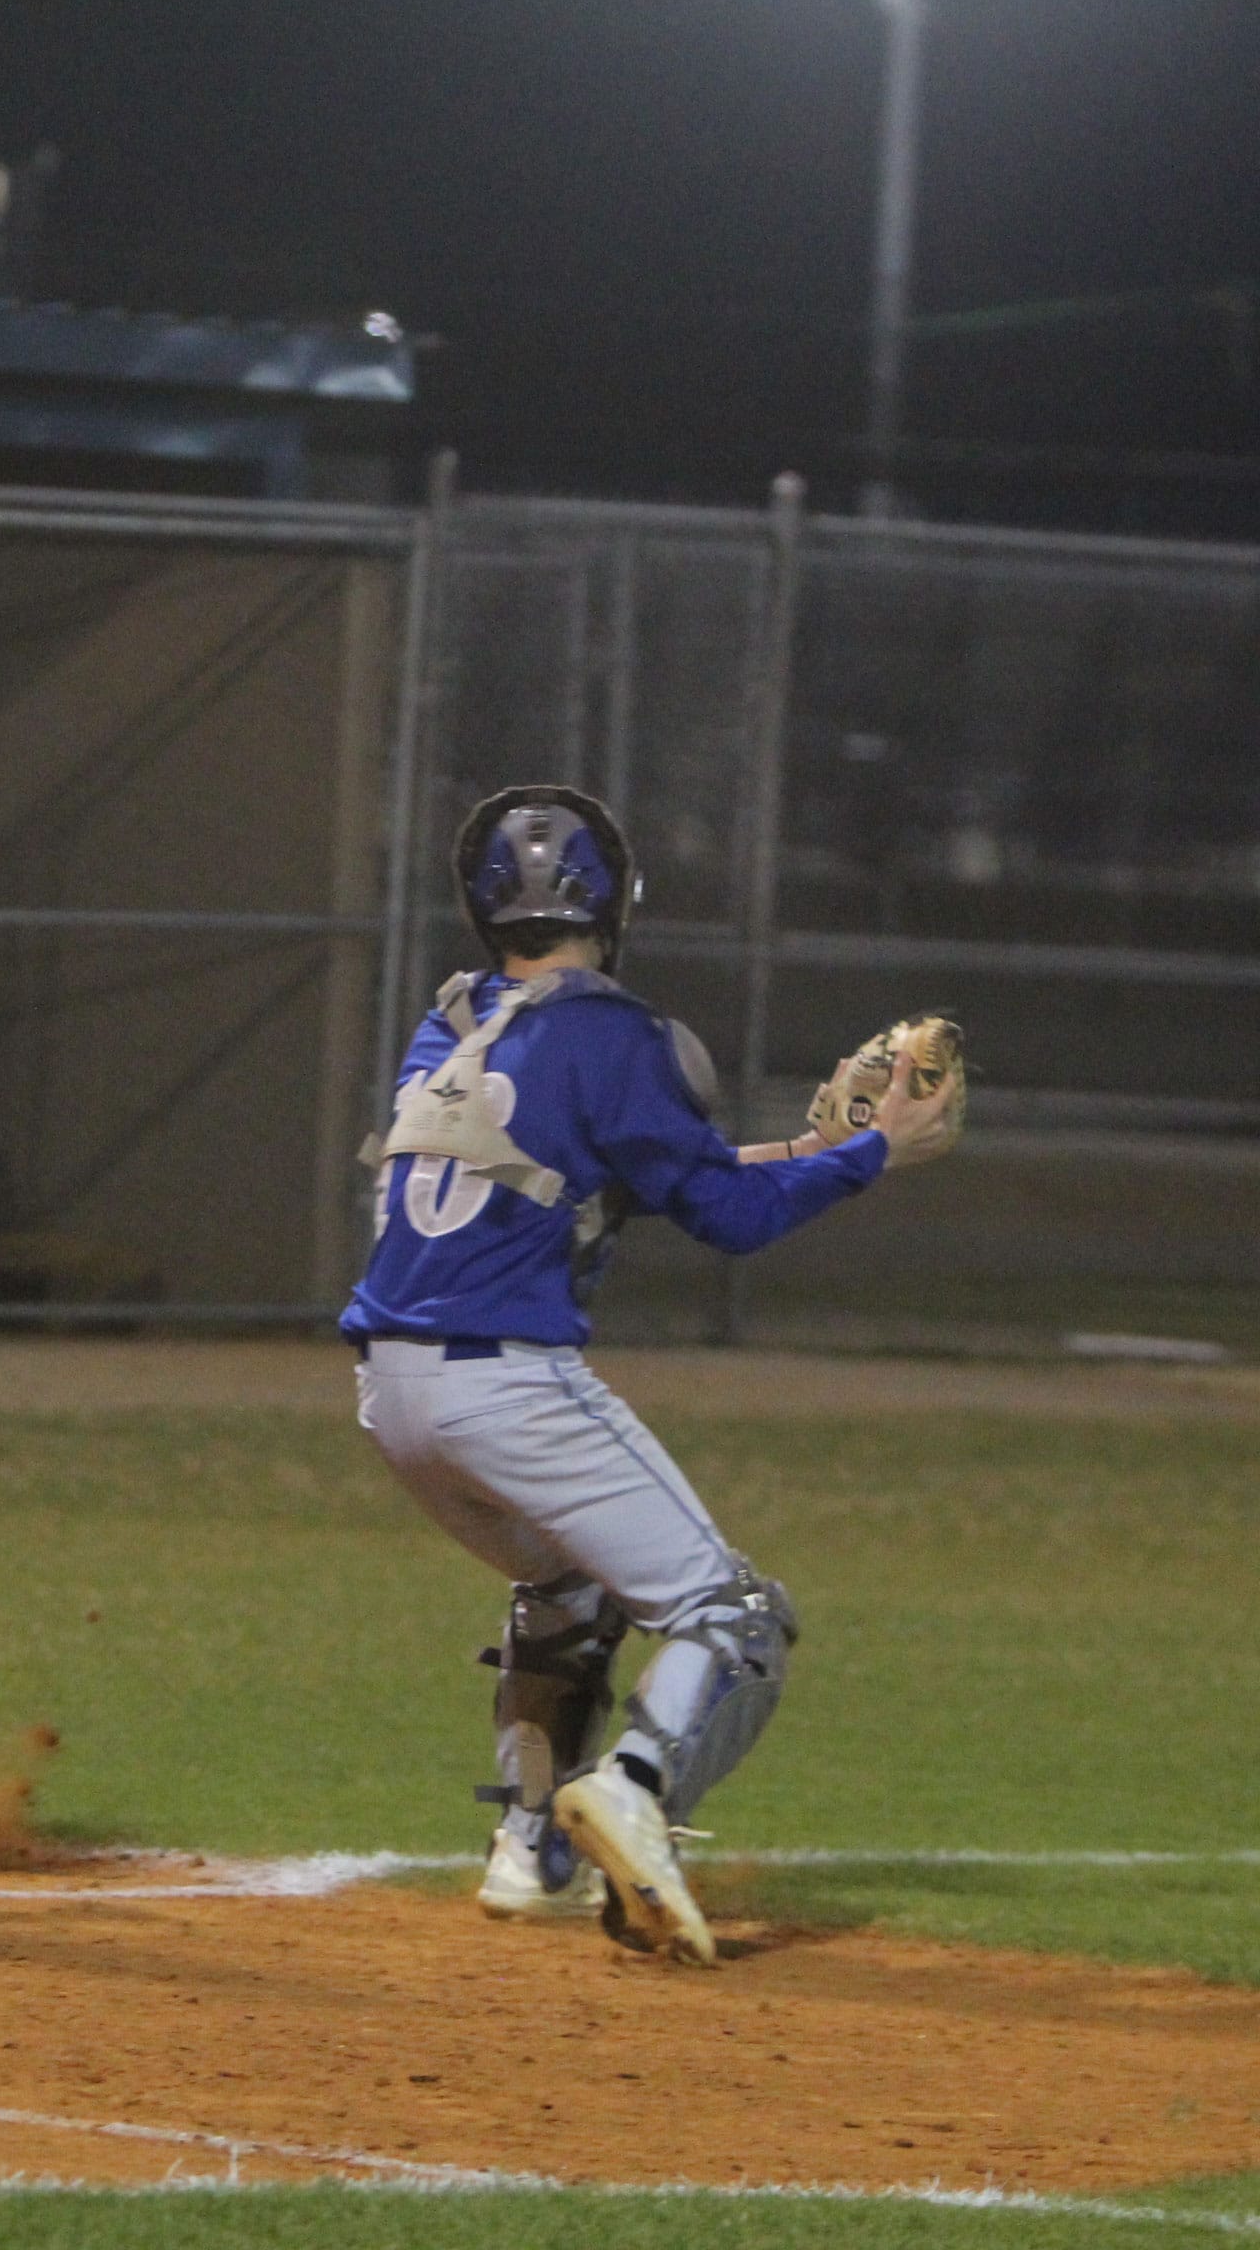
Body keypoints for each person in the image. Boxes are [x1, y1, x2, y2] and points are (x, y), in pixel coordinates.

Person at [343, 785, 953, 1964]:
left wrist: (815, 1151)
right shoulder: (621, 1035)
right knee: (734, 1618)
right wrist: (878, 1153)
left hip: (392, 1397)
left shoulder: (452, 1024)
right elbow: (723, 1217)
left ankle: (533, 1848)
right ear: (616, 899)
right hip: (506, 1383)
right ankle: (634, 1784)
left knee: (569, 1594)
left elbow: (646, 1168)